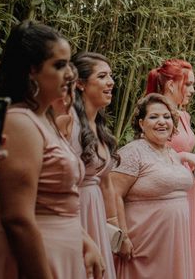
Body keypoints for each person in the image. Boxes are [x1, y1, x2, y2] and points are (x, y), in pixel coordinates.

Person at [0, 21, 103, 279]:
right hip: (25, 259)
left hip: (58, 252)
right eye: (59, 65)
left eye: (68, 63)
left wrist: (84, 240)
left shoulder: (45, 120)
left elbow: (50, 200)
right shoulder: (18, 121)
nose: (70, 74)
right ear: (31, 71)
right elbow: (17, 218)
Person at [111, 93, 195, 279]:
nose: (162, 122)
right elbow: (113, 194)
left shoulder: (172, 153)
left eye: (167, 117)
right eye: (153, 116)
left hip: (175, 244)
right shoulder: (132, 152)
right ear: (141, 123)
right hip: (143, 245)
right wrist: (123, 237)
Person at [145, 59, 195, 279]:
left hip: (186, 190)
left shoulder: (183, 116)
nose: (192, 90)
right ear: (171, 84)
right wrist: (185, 156)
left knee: (186, 246)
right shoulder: (154, 115)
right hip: (165, 190)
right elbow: (149, 155)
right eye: (188, 84)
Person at [70, 52, 122, 279]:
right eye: (102, 76)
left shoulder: (100, 126)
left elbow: (106, 182)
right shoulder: (70, 124)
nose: (111, 82)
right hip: (74, 209)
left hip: (96, 210)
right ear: (80, 84)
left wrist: (114, 227)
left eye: (110, 75)